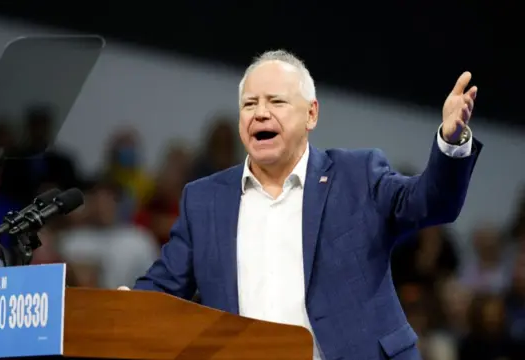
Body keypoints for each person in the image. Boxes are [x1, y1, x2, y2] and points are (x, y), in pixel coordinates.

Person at [119, 50, 482, 360]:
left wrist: (452, 143)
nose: (260, 113)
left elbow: (432, 203)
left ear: (311, 114)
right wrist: (118, 308)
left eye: (275, 101)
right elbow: (163, 290)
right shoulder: (204, 199)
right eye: (249, 104)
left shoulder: (358, 175)